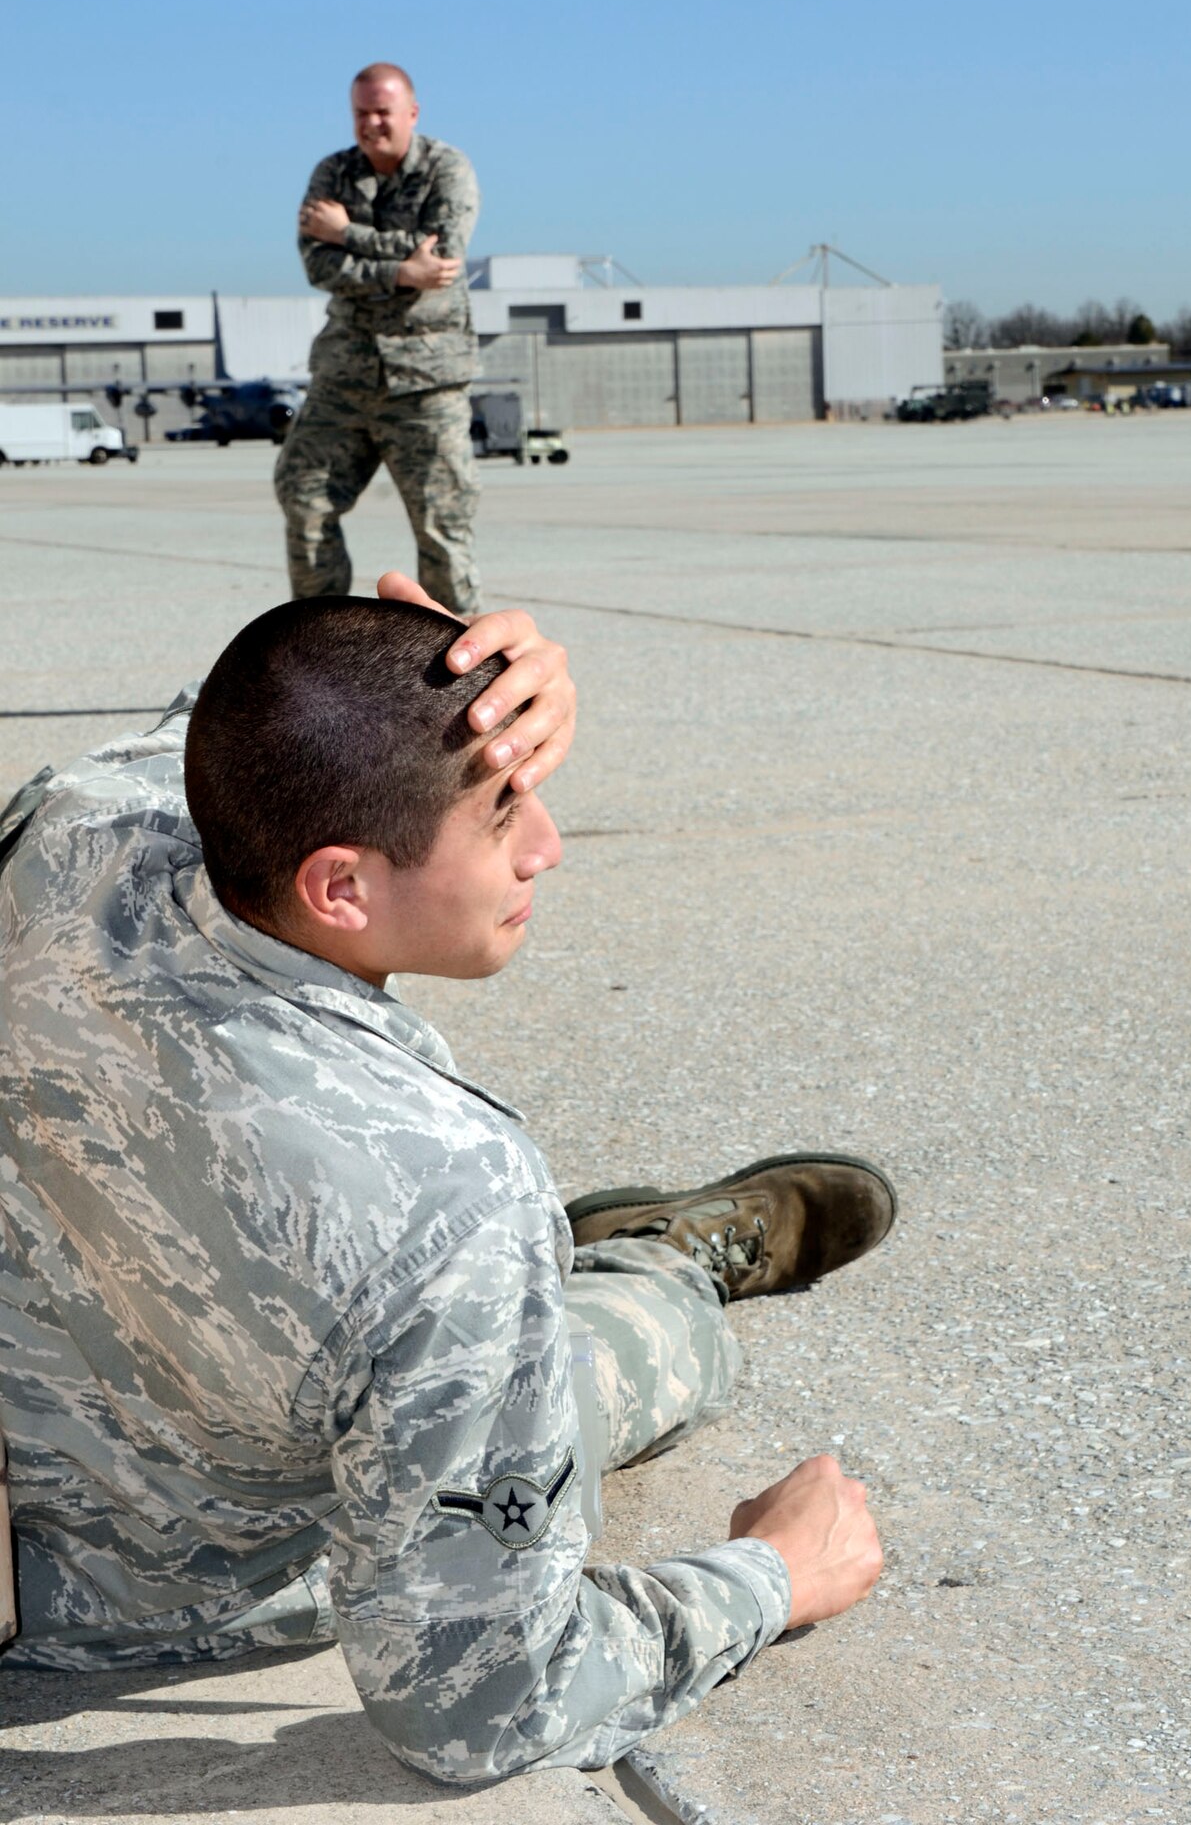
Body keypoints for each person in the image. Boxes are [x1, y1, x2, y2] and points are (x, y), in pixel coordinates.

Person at [0, 589, 895, 1788]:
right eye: (504, 809)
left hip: (65, 1405)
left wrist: (445, 669)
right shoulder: (443, 1206)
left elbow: (263, 723)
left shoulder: (83, 818)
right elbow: (480, 1701)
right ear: (340, 889)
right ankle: (662, 1260)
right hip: (153, 1566)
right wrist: (772, 1575)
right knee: (627, 1353)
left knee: (449, 1329)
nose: (547, 846)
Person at [275, 63, 483, 614]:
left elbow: (439, 256)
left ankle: (455, 671)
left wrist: (347, 234)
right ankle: (317, 651)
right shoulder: (332, 174)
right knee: (302, 495)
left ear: (411, 113)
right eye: (361, 113)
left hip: (427, 381)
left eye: (383, 112)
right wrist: (397, 274)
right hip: (345, 376)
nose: (371, 124)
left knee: (442, 523)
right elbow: (319, 267)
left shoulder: (447, 169)